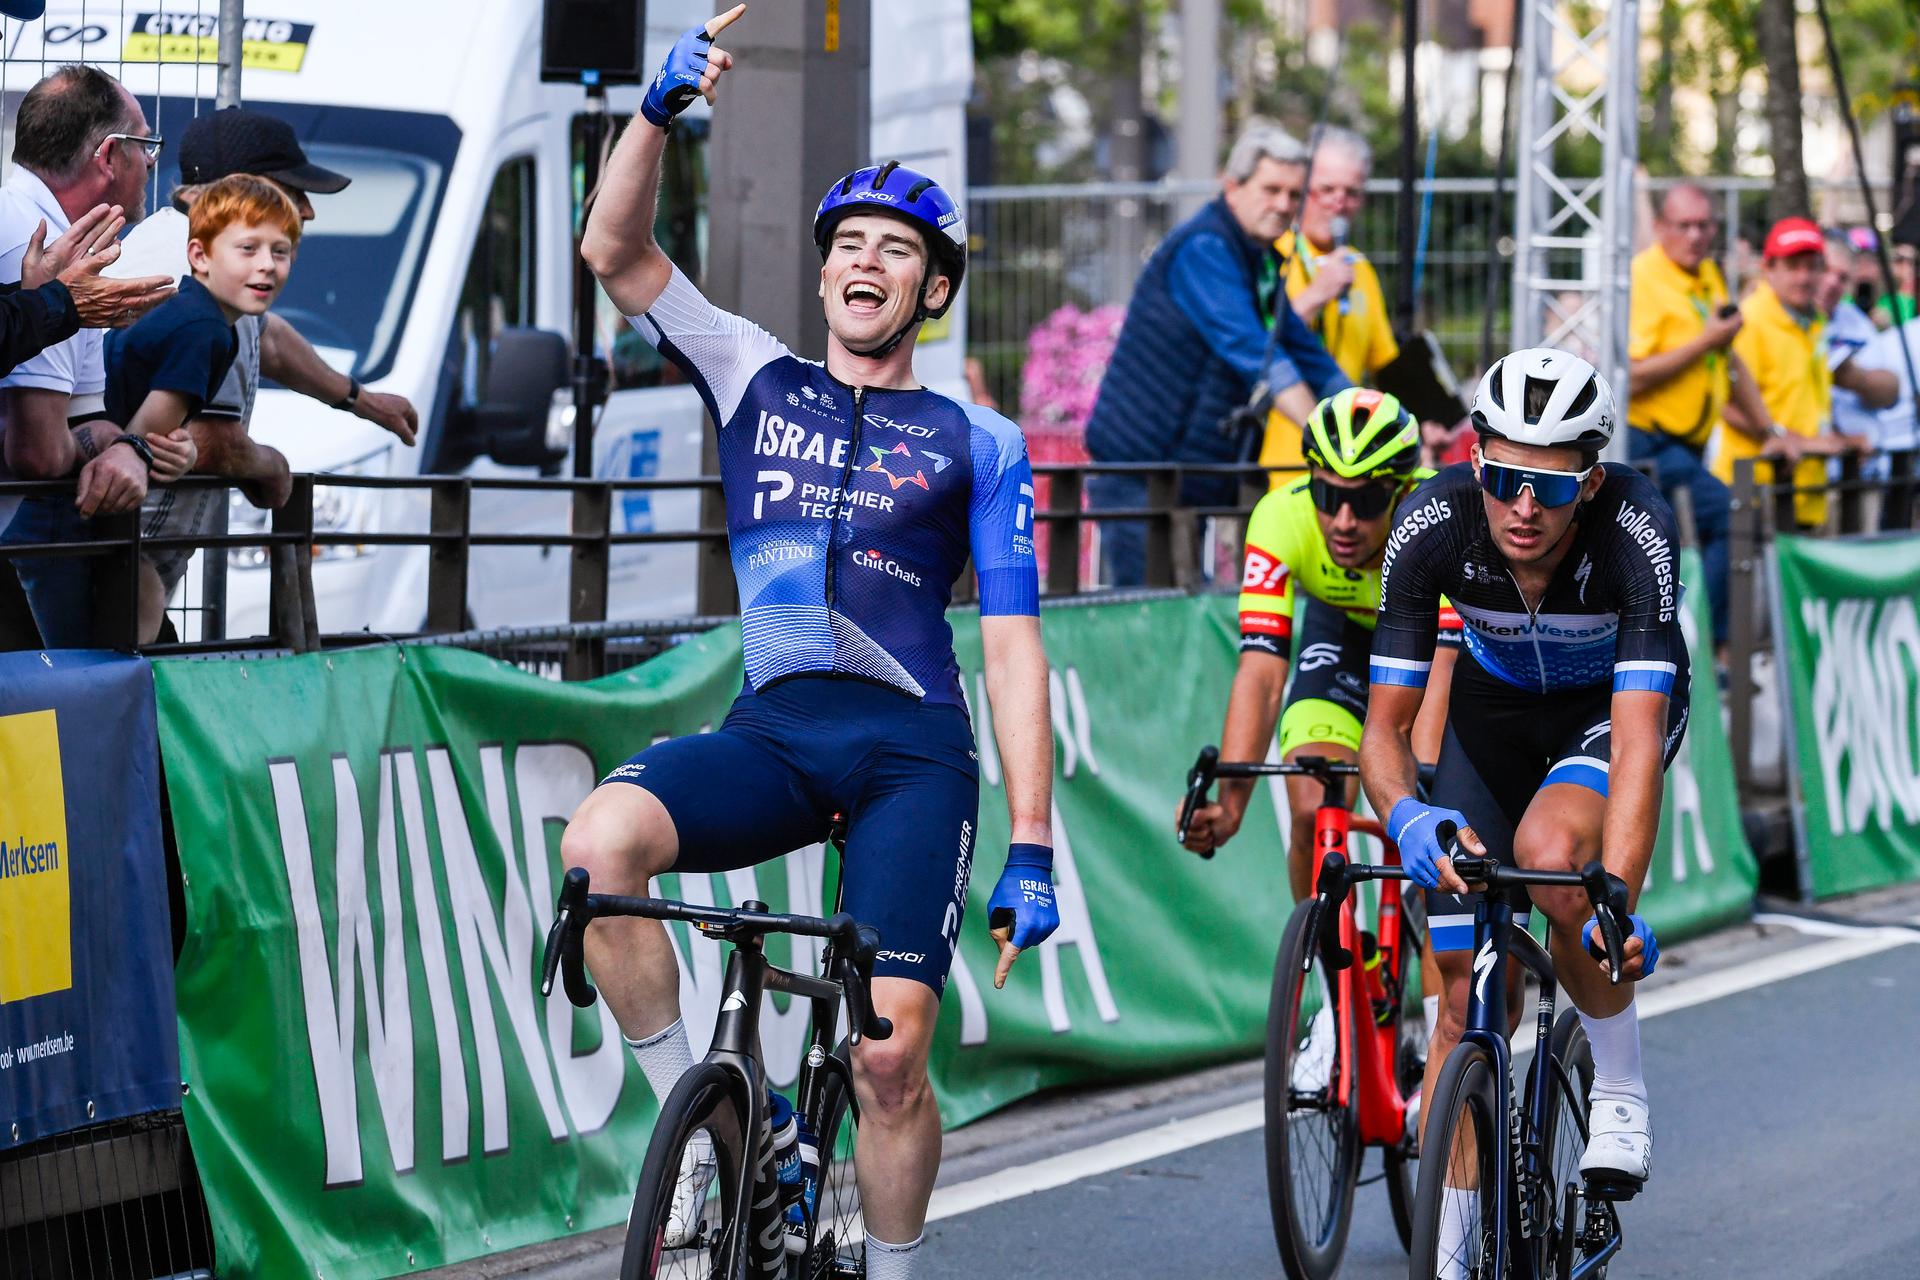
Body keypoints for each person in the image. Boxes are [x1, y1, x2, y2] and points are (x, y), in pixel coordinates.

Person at [563, 10, 1055, 1277]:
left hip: (910, 756)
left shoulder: (978, 439)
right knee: (600, 844)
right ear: (826, 271)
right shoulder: (752, 371)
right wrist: (656, 114)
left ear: (931, 289)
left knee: (889, 1052)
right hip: (777, 732)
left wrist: (1036, 840)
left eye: (896, 251)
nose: (865, 263)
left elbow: (1009, 646)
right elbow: (612, 249)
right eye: (848, 244)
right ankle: (727, 1132)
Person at [1362, 350, 1692, 1231]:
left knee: (1554, 860)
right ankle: (1458, 1243)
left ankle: (1620, 1086)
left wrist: (1614, 893)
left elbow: (1634, 745)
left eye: (1548, 489)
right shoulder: (1433, 522)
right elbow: (1386, 730)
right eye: (1504, 479)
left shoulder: (1637, 532)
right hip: (1493, 713)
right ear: (1477, 463)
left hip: (1604, 711)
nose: (1521, 507)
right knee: (1463, 1001)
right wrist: (1408, 816)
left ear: (1589, 482)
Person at [1179, 386, 1460, 1111]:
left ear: (1400, 491)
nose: (1342, 519)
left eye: (1366, 503)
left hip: (1439, 654)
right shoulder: (1280, 516)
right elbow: (1263, 667)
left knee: (1433, 830)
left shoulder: (1441, 519)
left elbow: (1445, 678)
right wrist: (1234, 801)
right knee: (1311, 798)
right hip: (1342, 640)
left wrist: (1417, 789)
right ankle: (1338, 1004)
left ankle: (1440, 1041)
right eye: (1328, 495)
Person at [103, 107, 419, 637]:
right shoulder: (189, 282)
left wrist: (361, 400)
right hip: (117, 548)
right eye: (291, 192)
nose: (307, 212)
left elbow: (264, 338)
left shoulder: (208, 259)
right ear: (240, 191)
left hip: (126, 549)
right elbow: (203, 436)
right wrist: (272, 470)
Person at [1083, 119, 1348, 586]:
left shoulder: (1258, 259)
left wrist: (1368, 416)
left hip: (1187, 471)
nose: (1284, 205)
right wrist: (1337, 446)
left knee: (1184, 609)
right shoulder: (1205, 249)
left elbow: (1305, 353)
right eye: (1271, 190)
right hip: (1141, 472)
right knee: (1151, 618)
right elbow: (1257, 355)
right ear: (1232, 186)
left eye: (1293, 194)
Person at [0, 64, 185, 647]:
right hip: (24, 543)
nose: (152, 163)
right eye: (146, 145)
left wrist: (132, 447)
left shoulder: (65, 235)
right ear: (109, 156)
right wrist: (102, 456)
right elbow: (33, 452)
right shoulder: (28, 234)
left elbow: (84, 419)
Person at [104, 176, 303, 641]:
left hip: (78, 515)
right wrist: (171, 451)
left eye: (281, 251)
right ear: (199, 256)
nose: (267, 267)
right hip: (84, 523)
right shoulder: (204, 331)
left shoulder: (206, 320)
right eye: (248, 249)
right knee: (142, 608)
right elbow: (134, 444)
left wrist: (178, 451)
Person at [1625, 184, 1776, 657]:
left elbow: (1729, 359)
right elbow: (1630, 377)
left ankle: (1699, 646)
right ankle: (1704, 647)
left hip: (1685, 444)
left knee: (1717, 525)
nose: (1695, 236)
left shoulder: (1708, 274)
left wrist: (1770, 431)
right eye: (1684, 226)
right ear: (1659, 228)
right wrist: (1706, 342)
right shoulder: (1643, 278)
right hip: (1645, 441)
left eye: (1703, 226)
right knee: (1735, 515)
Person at [1719, 217, 1894, 529]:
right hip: (1757, 498)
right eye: (1793, 266)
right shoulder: (1750, 320)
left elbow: (1804, 409)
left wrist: (1837, 441)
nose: (1804, 277)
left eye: (1813, 266)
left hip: (1800, 497)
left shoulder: (1813, 323)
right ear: (1768, 268)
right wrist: (1792, 440)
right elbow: (1726, 405)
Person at [1257, 128, 1399, 484]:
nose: (1339, 202)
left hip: (1346, 469)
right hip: (1279, 465)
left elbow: (1384, 365)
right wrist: (1315, 295)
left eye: (1351, 192)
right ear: (1304, 190)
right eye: (1327, 189)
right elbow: (1257, 345)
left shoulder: (1359, 268)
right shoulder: (1273, 257)